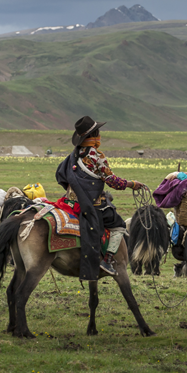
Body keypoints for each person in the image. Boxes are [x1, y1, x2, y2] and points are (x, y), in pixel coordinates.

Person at [55, 116, 147, 277]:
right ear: (94, 135)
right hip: (90, 203)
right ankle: (108, 260)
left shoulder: (74, 155)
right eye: (98, 132)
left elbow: (61, 175)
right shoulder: (96, 156)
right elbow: (112, 181)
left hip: (70, 201)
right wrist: (132, 184)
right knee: (119, 225)